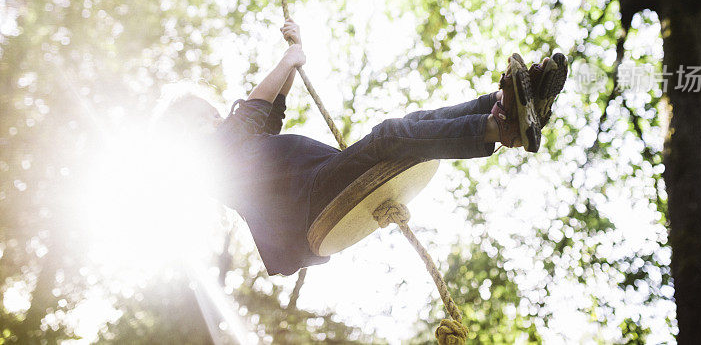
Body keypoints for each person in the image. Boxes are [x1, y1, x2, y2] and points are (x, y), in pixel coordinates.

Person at [159, 20, 567, 276]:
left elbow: (271, 111)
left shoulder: (235, 149)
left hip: (319, 185)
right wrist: (287, 60)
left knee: (412, 127)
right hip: (311, 203)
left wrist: (293, 54)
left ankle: (508, 106)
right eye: (200, 121)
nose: (214, 122)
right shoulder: (209, 162)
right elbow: (253, 111)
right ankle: (499, 128)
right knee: (391, 134)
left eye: (213, 114)